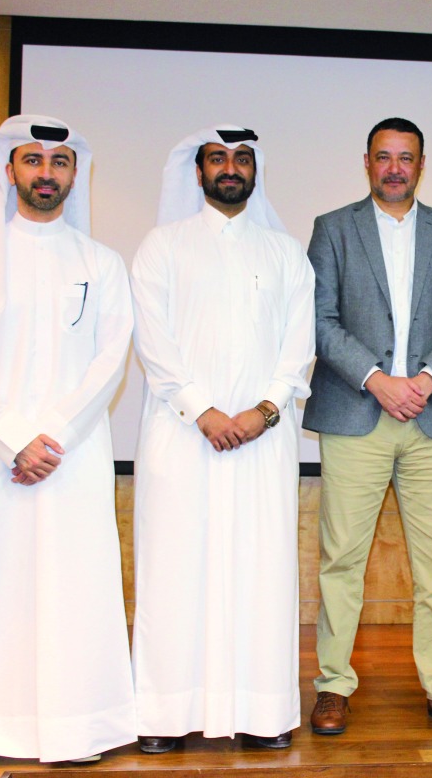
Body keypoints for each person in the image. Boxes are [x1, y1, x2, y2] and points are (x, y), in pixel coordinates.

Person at [0, 115, 137, 773]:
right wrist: (18, 440)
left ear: (74, 175)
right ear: (9, 169)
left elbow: (110, 358)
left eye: (59, 162)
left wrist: (53, 438)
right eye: (33, 160)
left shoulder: (101, 263)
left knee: (74, 587)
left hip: (73, 459)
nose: (46, 173)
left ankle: (76, 728)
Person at [129, 125, 314, 753]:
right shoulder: (162, 246)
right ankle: (165, 716)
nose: (229, 168)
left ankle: (262, 715)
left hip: (263, 439)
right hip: (182, 439)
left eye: (241, 159)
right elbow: (154, 343)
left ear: (254, 171)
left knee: (262, 574)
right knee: (176, 573)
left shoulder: (285, 252)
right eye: (217, 158)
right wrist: (201, 411)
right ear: (198, 170)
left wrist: (263, 410)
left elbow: (299, 345)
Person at [303, 117, 432, 735]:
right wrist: (377, 380)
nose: (395, 168)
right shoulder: (333, 229)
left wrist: (427, 379)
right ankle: (333, 685)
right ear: (367, 162)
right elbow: (320, 319)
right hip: (357, 412)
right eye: (384, 157)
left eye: (406, 158)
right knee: (341, 561)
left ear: (421, 164)